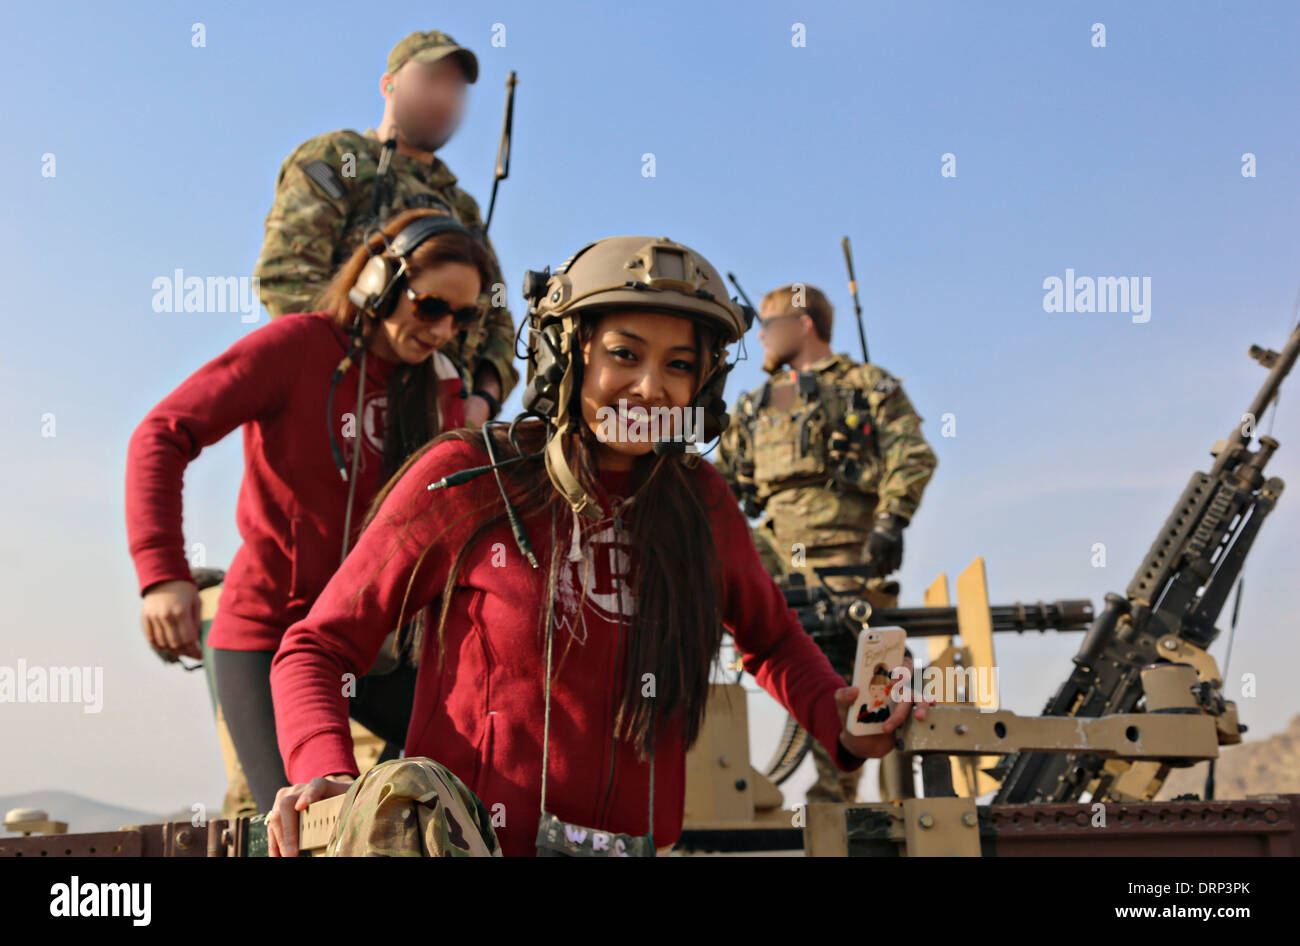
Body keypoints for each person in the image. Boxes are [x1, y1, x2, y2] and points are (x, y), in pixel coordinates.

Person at [265, 236, 932, 857]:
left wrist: (840, 718)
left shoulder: (701, 502)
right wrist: (325, 771)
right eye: (624, 354)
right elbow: (317, 647)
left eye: (679, 365)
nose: (651, 387)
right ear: (566, 352)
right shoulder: (471, 478)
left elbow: (774, 639)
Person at [127, 209, 494, 813]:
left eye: (464, 316)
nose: (443, 329)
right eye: (430, 306)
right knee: (301, 824)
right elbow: (162, 433)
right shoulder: (295, 347)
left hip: (373, 647)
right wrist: (161, 573)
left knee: (461, 783)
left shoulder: (441, 392)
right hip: (267, 636)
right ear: (379, 282)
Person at [715, 282, 938, 804]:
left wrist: (891, 521)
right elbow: (718, 488)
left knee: (864, 675)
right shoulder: (753, 406)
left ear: (805, 324)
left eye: (769, 326)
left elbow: (913, 454)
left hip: (850, 553)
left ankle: (839, 801)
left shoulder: (866, 386)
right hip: (774, 553)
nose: (763, 338)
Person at [252, 29, 515, 428]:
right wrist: (364, 367)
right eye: (431, 80)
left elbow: (495, 315)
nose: (444, 97)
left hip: (439, 427)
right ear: (388, 84)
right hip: (342, 408)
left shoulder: (463, 208)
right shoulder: (338, 159)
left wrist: (482, 400)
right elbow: (286, 277)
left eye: (455, 88)